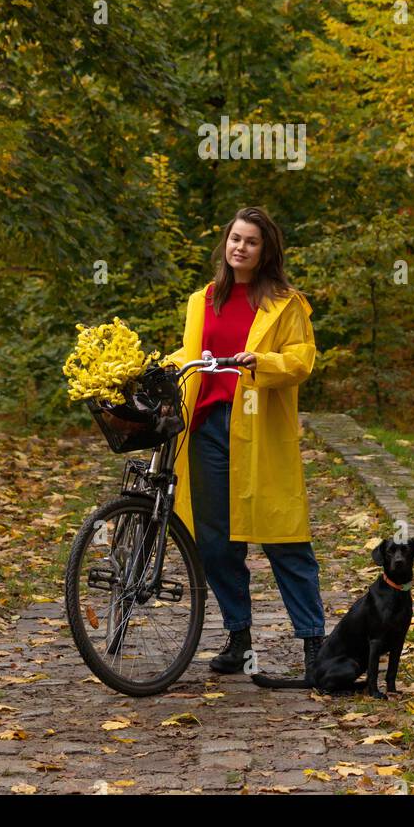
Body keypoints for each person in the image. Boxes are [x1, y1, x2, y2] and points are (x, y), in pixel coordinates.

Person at [165, 205, 326, 678]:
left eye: (251, 241)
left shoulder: (285, 303)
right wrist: (158, 365)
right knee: (215, 541)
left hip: (258, 428)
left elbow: (302, 358)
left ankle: (313, 643)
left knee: (282, 535)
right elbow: (193, 353)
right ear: (226, 244)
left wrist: (264, 361)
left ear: (265, 250)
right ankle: (238, 637)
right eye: (236, 238)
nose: (241, 247)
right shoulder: (204, 300)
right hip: (208, 428)